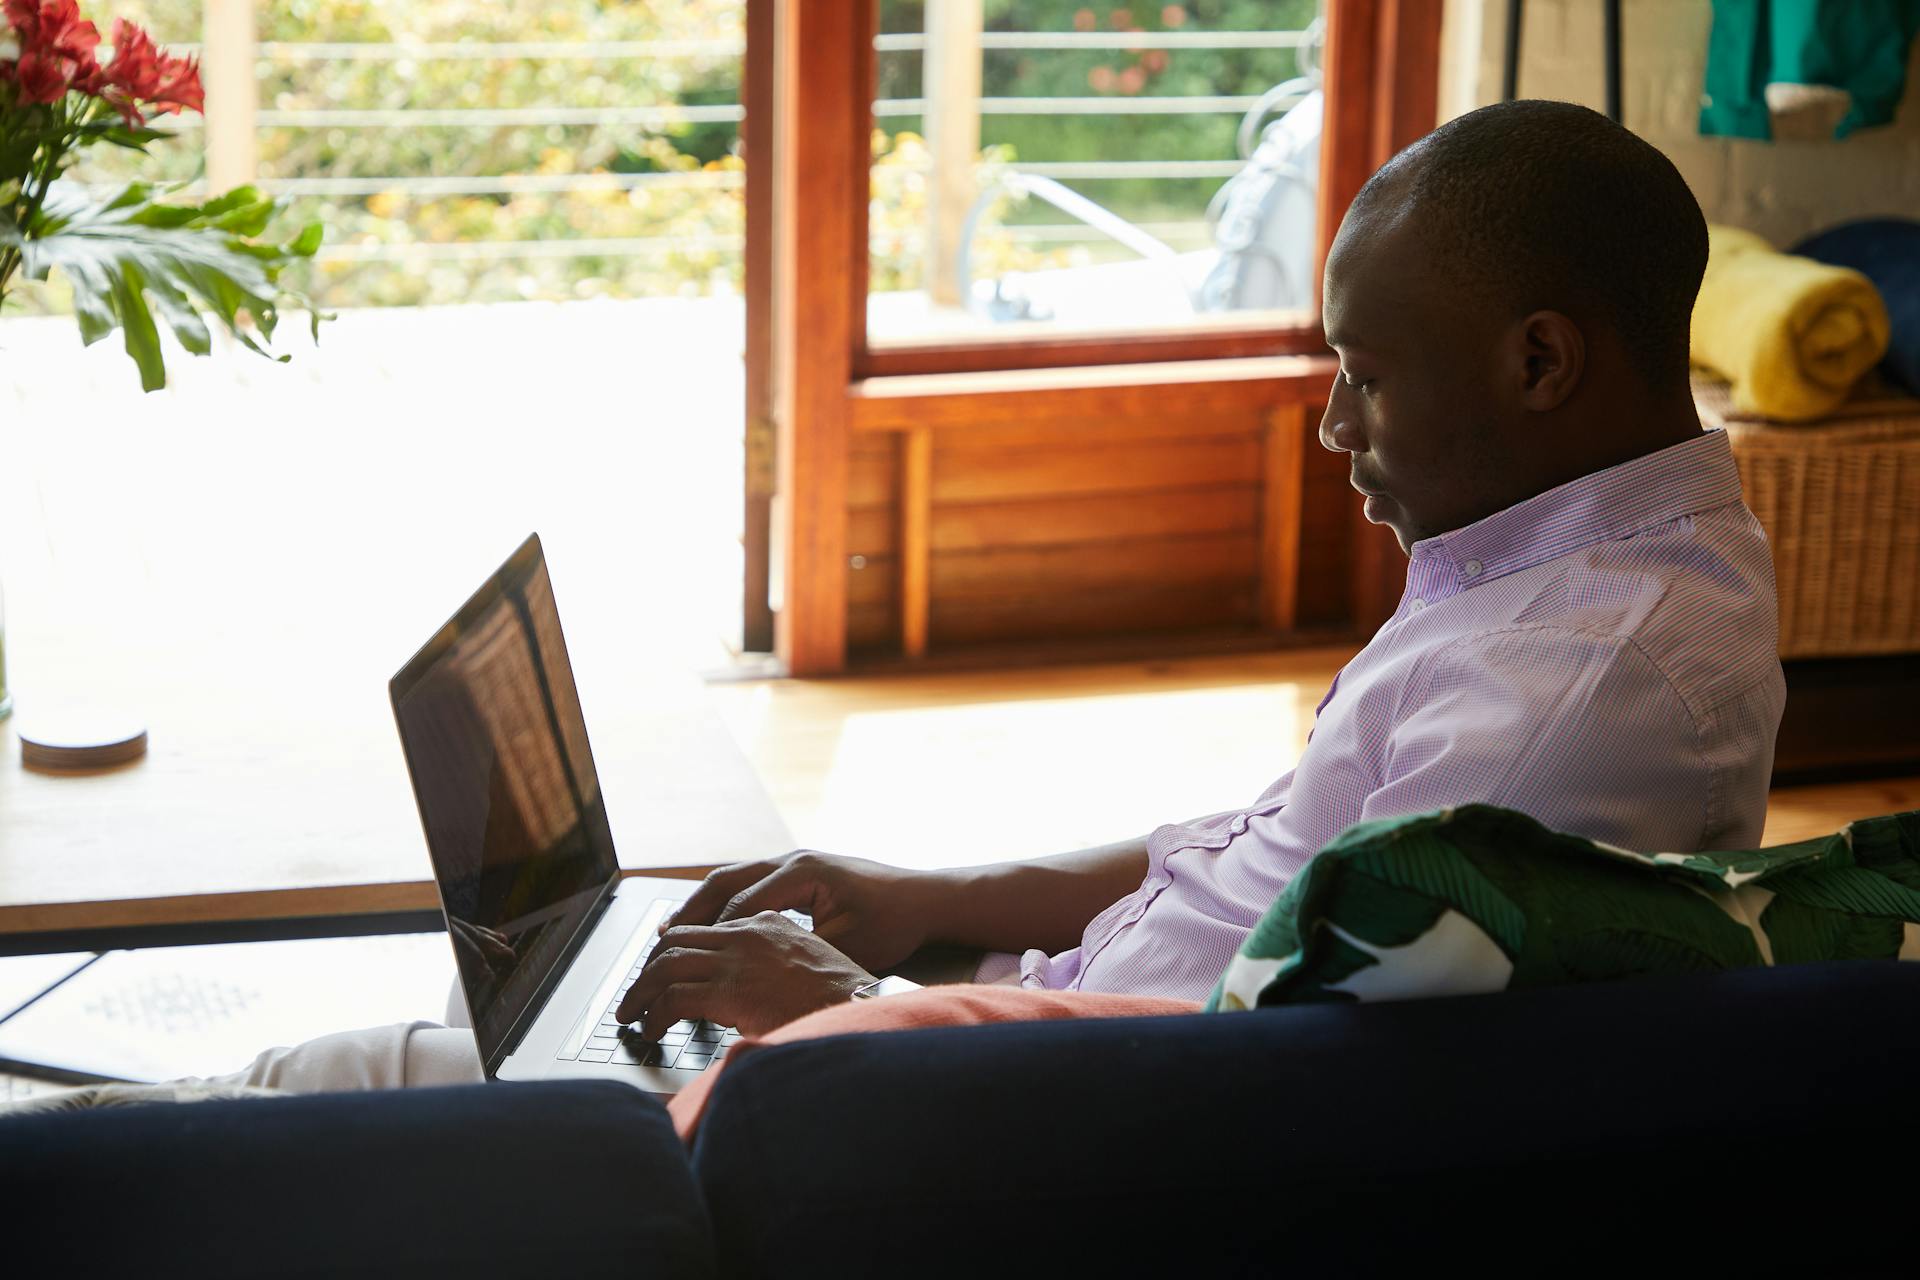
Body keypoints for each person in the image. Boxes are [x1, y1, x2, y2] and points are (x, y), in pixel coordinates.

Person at [12, 98, 1785, 1103]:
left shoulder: (1572, 693)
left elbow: (1255, 1099)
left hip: (978, 1125)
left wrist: (856, 1003)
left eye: (1367, 377)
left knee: (324, 1093)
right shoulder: (1566, 567)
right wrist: (925, 898)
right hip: (1006, 1030)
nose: (1331, 425)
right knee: (402, 1043)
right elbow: (1277, 855)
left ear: (1541, 361)